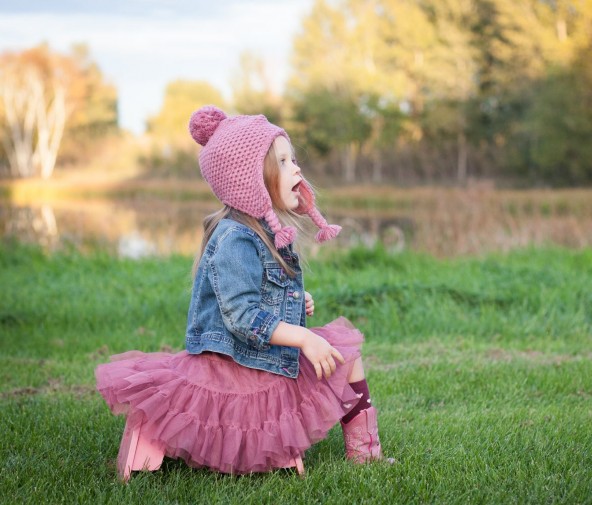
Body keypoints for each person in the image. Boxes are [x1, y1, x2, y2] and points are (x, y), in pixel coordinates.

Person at [95, 105, 387, 480]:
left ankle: (365, 454)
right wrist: (301, 337)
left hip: (261, 354)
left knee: (346, 354)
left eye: (293, 158)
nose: (296, 168)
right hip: (239, 364)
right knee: (335, 353)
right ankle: (362, 453)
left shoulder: (266, 232)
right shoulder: (235, 238)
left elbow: (264, 295)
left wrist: (297, 306)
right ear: (250, 180)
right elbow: (242, 316)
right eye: (282, 162)